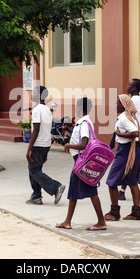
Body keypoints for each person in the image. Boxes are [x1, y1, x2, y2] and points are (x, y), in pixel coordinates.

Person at [56, 98, 107, 231]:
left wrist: (68, 145)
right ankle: (68, 221)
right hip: (79, 162)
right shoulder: (84, 122)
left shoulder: (84, 123)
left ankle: (101, 221)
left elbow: (83, 144)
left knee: (91, 191)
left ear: (79, 108)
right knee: (74, 191)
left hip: (82, 163)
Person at [104, 94, 140, 221]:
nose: (115, 105)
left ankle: (114, 212)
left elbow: (135, 133)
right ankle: (136, 212)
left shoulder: (124, 118)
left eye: (117, 102)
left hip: (126, 151)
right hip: (133, 150)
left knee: (112, 181)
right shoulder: (131, 117)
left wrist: (120, 134)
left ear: (123, 105)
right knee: (132, 182)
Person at [26, 86, 65, 205]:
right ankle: (36, 196)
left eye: (34, 93)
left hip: (38, 144)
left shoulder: (37, 110)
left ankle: (55, 187)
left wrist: (29, 148)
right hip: (46, 144)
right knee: (35, 170)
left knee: (34, 171)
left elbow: (36, 129)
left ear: (40, 96)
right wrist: (46, 150)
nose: (32, 95)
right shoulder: (47, 109)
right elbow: (48, 129)